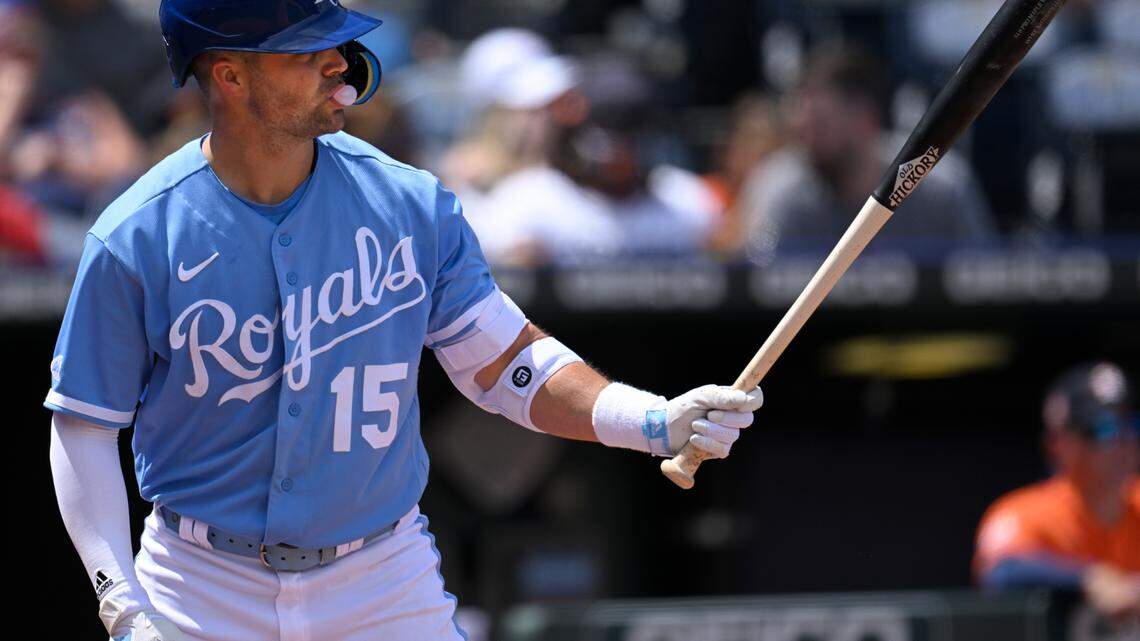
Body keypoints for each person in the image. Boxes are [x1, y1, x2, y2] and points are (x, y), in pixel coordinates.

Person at [44, 1, 765, 640]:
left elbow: (504, 362)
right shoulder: (138, 234)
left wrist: (648, 418)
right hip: (202, 584)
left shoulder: (407, 203)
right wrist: (123, 604)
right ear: (230, 77)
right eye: (307, 49)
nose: (339, 63)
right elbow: (83, 422)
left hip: (382, 577)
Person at [737, 43, 996, 262]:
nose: (809, 141)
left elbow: (984, 276)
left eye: (822, 124)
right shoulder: (782, 191)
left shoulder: (934, 182)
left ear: (866, 118)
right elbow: (759, 282)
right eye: (803, 128)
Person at [974, 362, 1140, 620]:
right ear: (1059, 444)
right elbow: (1001, 572)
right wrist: (1089, 578)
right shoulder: (1025, 512)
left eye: (1132, 424)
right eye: (1104, 429)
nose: (1124, 442)